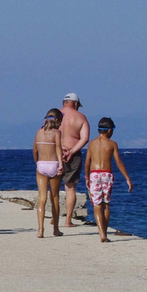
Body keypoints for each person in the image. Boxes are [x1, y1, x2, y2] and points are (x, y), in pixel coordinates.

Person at [84, 117, 133, 242]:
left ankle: (102, 234)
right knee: (106, 205)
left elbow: (87, 163)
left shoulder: (92, 144)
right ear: (109, 131)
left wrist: (86, 177)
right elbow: (118, 162)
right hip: (106, 174)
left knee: (96, 205)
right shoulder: (112, 144)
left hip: (94, 174)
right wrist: (127, 178)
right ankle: (104, 232)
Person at [57, 93, 90, 228]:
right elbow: (85, 138)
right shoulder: (80, 117)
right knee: (70, 189)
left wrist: (60, 147)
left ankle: (54, 219)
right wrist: (71, 151)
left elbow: (47, 133)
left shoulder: (53, 115)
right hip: (73, 154)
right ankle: (68, 220)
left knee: (53, 188)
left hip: (55, 152)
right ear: (76, 104)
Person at [32, 108, 64, 237]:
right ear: (57, 120)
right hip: (53, 165)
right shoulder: (57, 133)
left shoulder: (39, 132)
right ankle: (55, 229)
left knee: (42, 198)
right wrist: (61, 165)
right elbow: (58, 148)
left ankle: (40, 229)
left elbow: (34, 150)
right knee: (54, 197)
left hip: (41, 165)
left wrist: (37, 163)